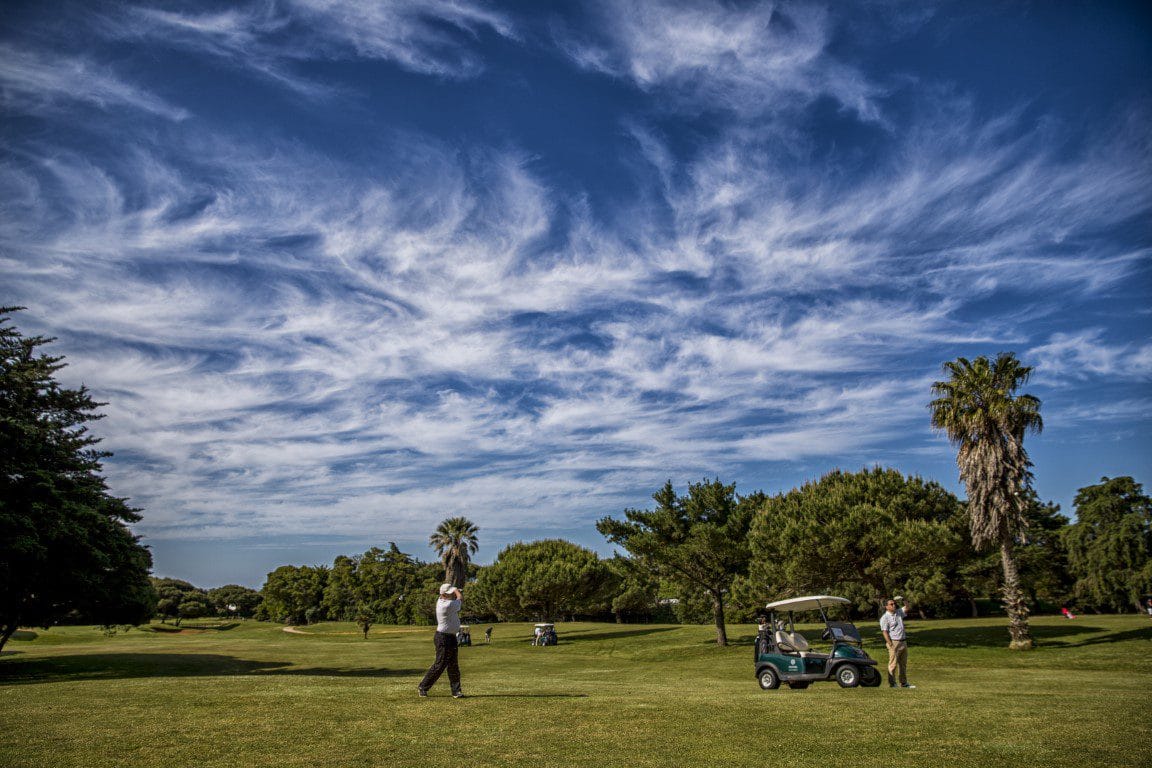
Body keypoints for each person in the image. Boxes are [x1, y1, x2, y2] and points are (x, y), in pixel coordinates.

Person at [418, 584, 464, 699]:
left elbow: (454, 598)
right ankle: (423, 687)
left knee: (453, 665)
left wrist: (453, 590)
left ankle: (456, 691)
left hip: (450, 637)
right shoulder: (447, 605)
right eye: (449, 593)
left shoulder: (443, 600)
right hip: (443, 637)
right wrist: (456, 590)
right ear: (443, 594)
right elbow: (460, 598)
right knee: (440, 664)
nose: (452, 594)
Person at [880, 597, 915, 689]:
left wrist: (903, 599)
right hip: (894, 642)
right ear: (886, 607)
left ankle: (903, 683)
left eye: (894, 603)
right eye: (891, 604)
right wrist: (890, 644)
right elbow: (885, 632)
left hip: (903, 641)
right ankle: (892, 684)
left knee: (903, 664)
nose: (894, 605)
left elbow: (907, 607)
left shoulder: (898, 612)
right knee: (893, 664)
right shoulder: (885, 618)